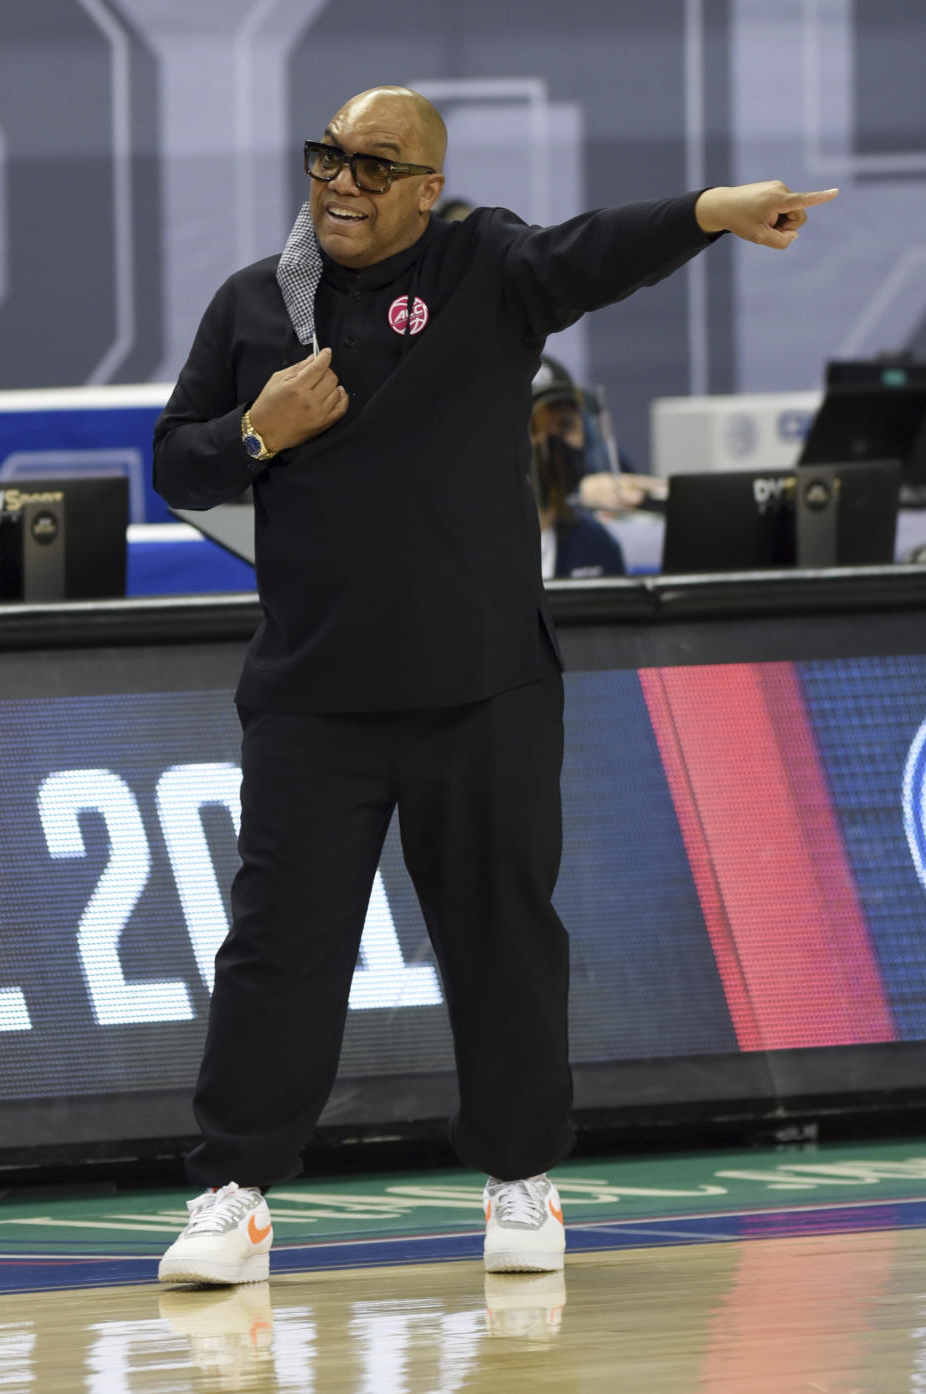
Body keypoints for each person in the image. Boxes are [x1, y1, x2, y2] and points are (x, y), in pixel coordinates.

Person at [152, 84, 838, 1287]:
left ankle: (520, 1178)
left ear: (428, 187)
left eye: (376, 166)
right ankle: (235, 1193)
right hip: (314, 698)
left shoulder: (488, 267)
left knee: (503, 938)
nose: (343, 184)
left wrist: (713, 211)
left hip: (482, 687)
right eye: (330, 158)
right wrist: (257, 432)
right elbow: (176, 458)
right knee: (277, 949)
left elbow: (598, 251)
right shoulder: (259, 302)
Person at [529, 355, 626, 578]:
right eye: (535, 429)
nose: (553, 446)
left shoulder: (597, 544)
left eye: (565, 425)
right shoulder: (478, 547)